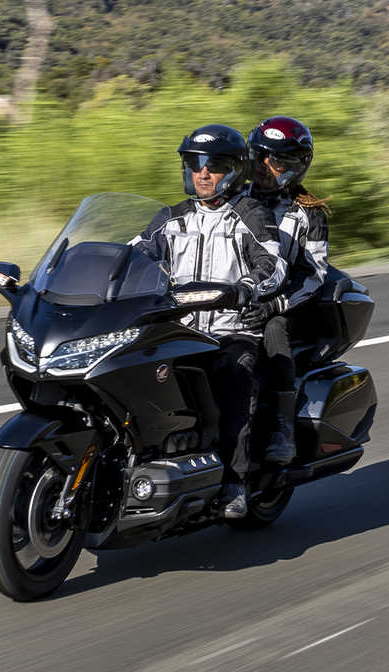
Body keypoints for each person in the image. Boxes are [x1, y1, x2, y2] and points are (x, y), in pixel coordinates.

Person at [132, 123, 287, 518]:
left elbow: (272, 263)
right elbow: (129, 257)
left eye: (214, 165)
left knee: (236, 374)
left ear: (233, 170)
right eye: (195, 164)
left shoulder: (251, 214)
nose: (203, 173)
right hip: (176, 331)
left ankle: (235, 481)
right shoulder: (171, 218)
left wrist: (248, 287)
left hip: (230, 331)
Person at [242, 115, 330, 464]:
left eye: (276, 160)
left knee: (273, 330)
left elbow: (314, 274)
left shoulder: (309, 213)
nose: (265, 166)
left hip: (288, 303)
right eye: (260, 155)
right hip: (239, 294)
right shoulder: (231, 198)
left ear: (296, 165)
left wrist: (276, 305)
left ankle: (282, 429)